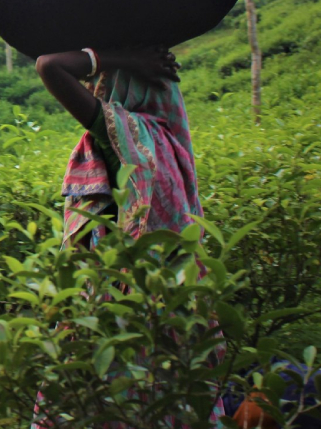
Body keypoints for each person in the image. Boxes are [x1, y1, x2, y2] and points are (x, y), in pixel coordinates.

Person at [32, 45, 227, 428]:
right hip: (175, 307)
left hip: (116, 315)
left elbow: (49, 66)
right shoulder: (172, 142)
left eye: (105, 84)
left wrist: (121, 59)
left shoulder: (124, 136)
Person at [34, 46, 191, 248]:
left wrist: (127, 60)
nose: (93, 88)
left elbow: (48, 66)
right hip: (172, 272)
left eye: (99, 81)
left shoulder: (118, 135)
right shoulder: (171, 140)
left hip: (123, 272)